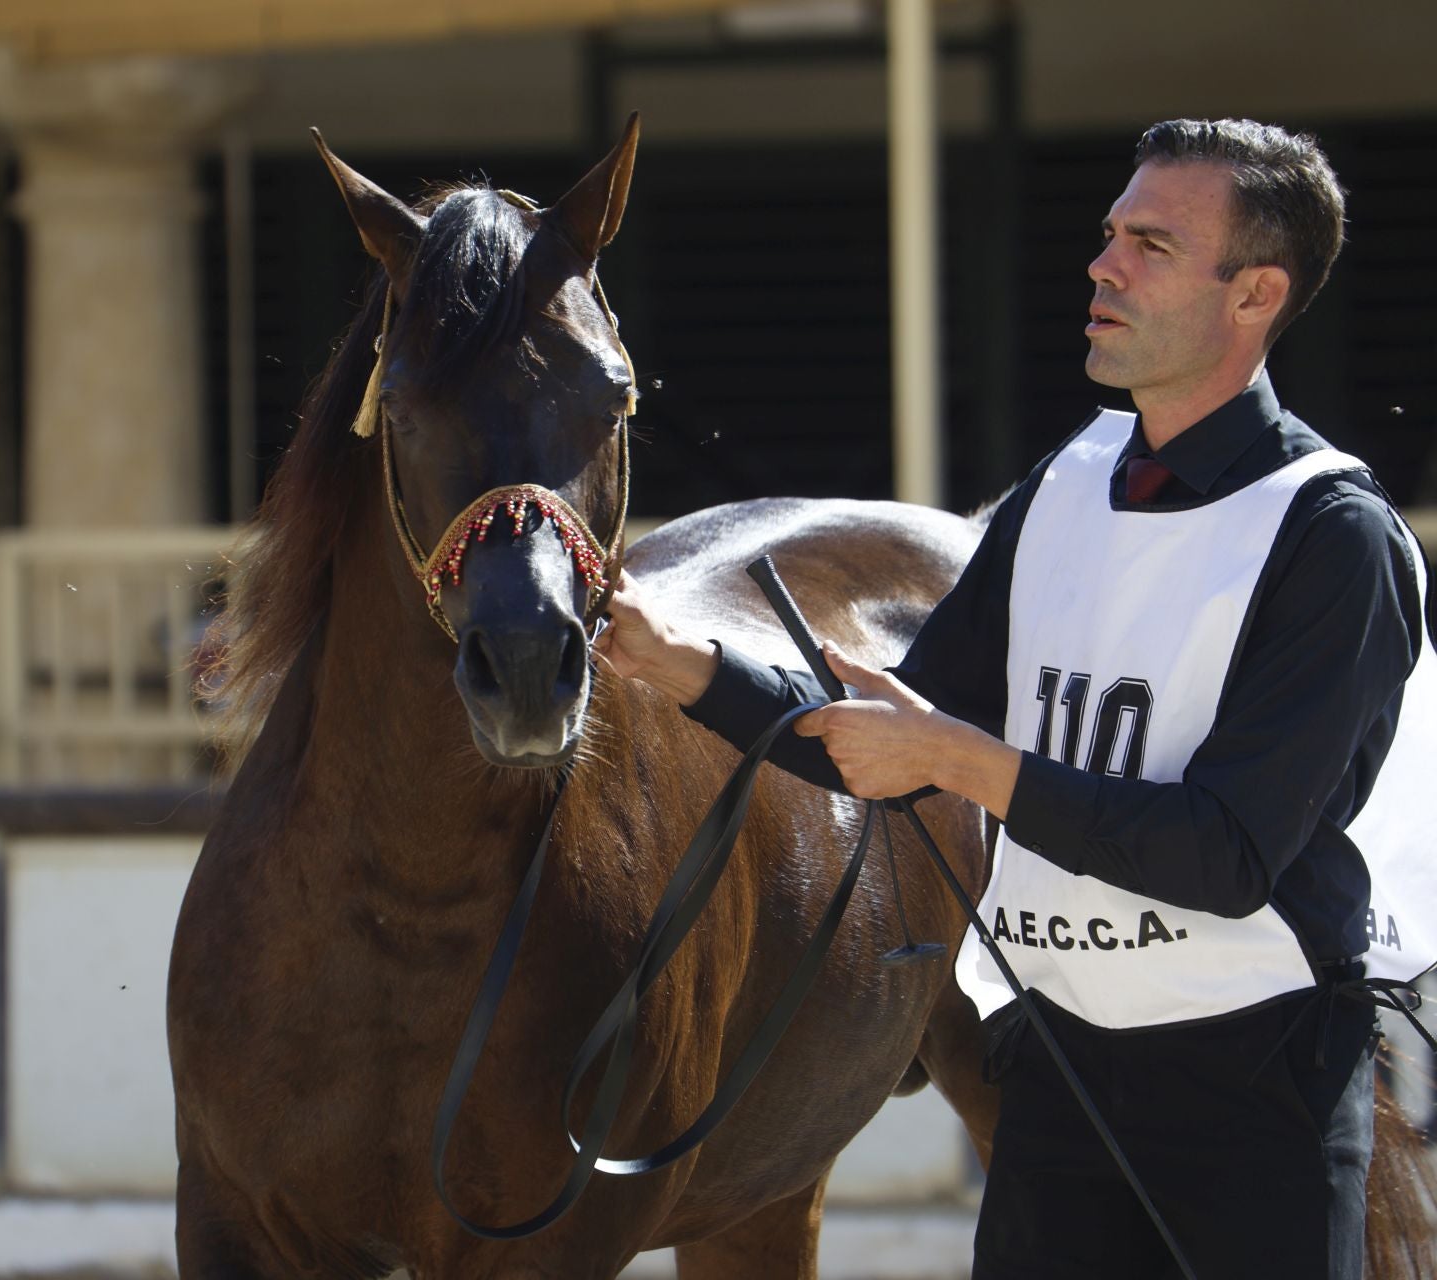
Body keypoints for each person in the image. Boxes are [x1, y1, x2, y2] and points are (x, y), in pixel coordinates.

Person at [596, 118, 1435, 1279]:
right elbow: (896, 736)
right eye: (1107, 234)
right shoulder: (1068, 480)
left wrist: (960, 758)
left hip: (1257, 1091)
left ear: (1255, 295)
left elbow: (1225, 854)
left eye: (1150, 242)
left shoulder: (1337, 536)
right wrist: (681, 666)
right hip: (1054, 1070)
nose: (1102, 264)